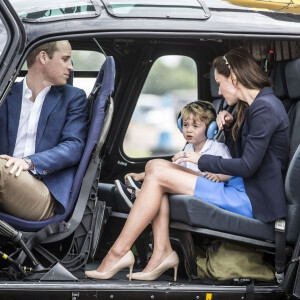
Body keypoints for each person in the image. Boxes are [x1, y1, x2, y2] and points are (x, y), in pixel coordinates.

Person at [85, 48, 289, 282]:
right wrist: (231, 127)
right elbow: (246, 155)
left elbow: (247, 167)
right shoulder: (255, 106)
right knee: (154, 166)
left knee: (158, 174)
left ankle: (119, 253)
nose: (219, 90)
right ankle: (160, 252)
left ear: (234, 78)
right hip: (242, 189)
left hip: (251, 199)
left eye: (220, 84)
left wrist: (199, 159)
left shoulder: (265, 108)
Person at [0, 40, 88, 221]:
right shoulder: (6, 93)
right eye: (65, 59)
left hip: (44, 193)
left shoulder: (73, 98)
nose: (71, 67)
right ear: (43, 57)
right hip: (6, 180)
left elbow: (74, 146)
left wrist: (29, 162)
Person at [115, 100, 232, 209]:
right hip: (191, 187)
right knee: (164, 187)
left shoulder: (218, 148)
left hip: (208, 189)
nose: (189, 130)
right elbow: (172, 169)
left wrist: (219, 177)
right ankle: (142, 189)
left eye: (195, 126)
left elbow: (231, 173)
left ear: (210, 128)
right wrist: (141, 175)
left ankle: (139, 193)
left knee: (164, 184)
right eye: (185, 125)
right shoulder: (188, 148)